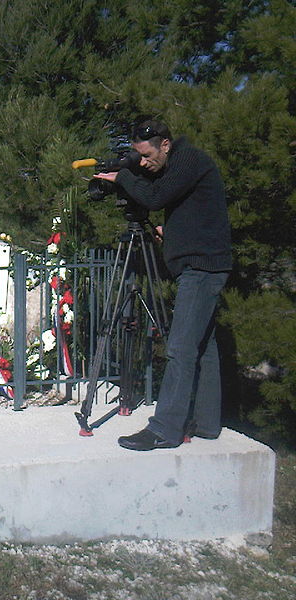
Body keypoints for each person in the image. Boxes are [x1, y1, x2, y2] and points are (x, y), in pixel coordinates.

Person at [95, 119, 232, 451]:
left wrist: (124, 176)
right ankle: (206, 423)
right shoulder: (183, 164)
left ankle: (165, 429)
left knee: (180, 348)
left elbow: (156, 197)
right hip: (202, 266)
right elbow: (187, 208)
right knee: (203, 347)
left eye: (146, 155)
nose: (143, 163)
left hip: (200, 269)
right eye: (138, 157)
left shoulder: (189, 158)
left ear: (166, 144)